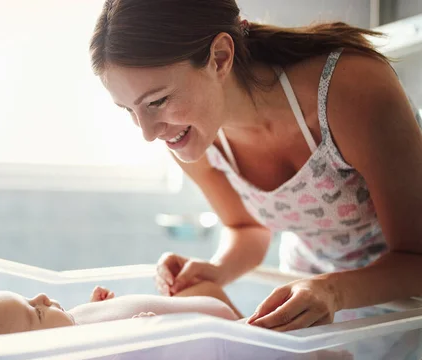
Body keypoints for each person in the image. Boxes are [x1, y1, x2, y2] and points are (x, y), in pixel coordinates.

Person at [89, 0, 422, 332]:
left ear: (220, 57)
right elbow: (247, 228)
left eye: (157, 101)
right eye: (128, 110)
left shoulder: (353, 90)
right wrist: (217, 270)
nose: (147, 133)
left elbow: (416, 258)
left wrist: (333, 290)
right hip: (311, 292)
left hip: (402, 296)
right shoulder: (189, 136)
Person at [0, 282, 354, 360]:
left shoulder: (72, 324)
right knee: (270, 338)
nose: (41, 296)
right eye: (35, 313)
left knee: (220, 300)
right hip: (218, 352)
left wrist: (102, 302)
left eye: (30, 298)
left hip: (205, 314)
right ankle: (313, 359)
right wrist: (150, 347)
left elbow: (107, 317)